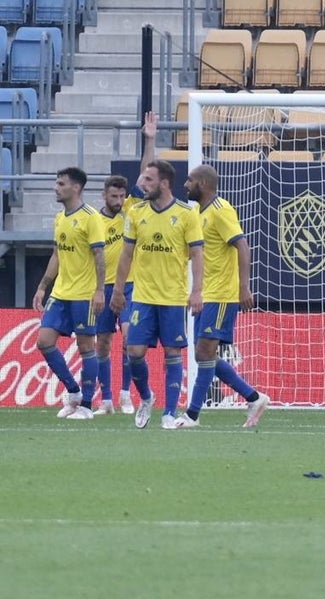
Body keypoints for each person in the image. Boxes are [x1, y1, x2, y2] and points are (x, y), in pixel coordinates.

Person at [170, 164, 270, 428]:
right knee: (204, 356)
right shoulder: (197, 214)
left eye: (189, 180)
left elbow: (242, 244)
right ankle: (253, 396)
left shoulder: (221, 210)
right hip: (205, 294)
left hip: (223, 294)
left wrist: (243, 287)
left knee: (204, 352)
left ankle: (192, 415)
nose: (185, 185)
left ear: (202, 183)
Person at [110, 157, 205, 430]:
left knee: (172, 353)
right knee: (134, 352)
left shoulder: (187, 214)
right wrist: (118, 291)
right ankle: (147, 397)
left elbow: (197, 255)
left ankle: (169, 412)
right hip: (142, 297)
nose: (143, 184)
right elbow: (126, 254)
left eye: (148, 180)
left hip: (173, 297)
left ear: (164, 183)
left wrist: (196, 291)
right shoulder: (137, 213)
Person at [92, 114, 159, 415]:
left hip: (131, 286)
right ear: (104, 195)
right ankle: (105, 399)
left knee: (131, 340)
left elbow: (147, 172)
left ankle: (124, 394)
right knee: (103, 342)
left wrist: (150, 138)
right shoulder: (94, 221)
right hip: (102, 288)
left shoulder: (131, 209)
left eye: (122, 195)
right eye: (114, 196)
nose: (119, 200)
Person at [32, 167, 107, 420]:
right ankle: (73, 392)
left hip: (84, 294)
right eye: (56, 182)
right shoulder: (60, 218)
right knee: (44, 341)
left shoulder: (91, 217)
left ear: (76, 187)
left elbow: (99, 255)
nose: (56, 187)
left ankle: (86, 405)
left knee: (86, 347)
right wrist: (43, 286)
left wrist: (99, 291)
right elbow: (57, 254)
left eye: (61, 183)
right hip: (61, 292)